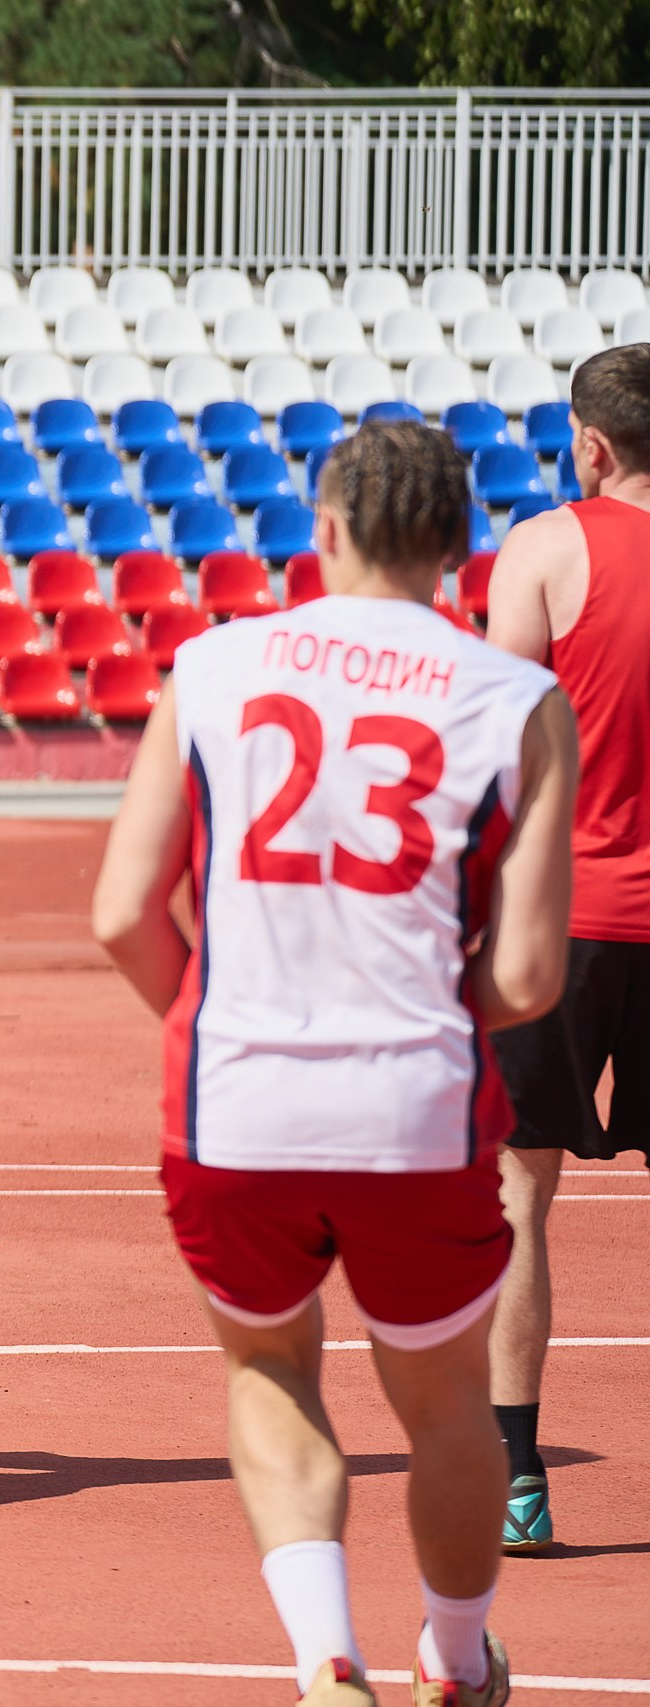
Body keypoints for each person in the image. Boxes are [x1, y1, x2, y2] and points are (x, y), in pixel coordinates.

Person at [93, 420, 576, 1707]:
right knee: (446, 1400)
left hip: (235, 1094)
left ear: (323, 528)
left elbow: (122, 913)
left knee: (268, 1367)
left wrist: (212, 1018)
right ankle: (457, 1660)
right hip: (415, 1103)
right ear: (460, 545)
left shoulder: (211, 665)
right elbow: (531, 974)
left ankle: (325, 1663)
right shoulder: (516, 700)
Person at [478, 341, 650, 1554]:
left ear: (589, 444)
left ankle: (516, 1480)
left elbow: (497, 748)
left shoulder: (545, 548)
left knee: (519, 1195)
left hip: (567, 918)